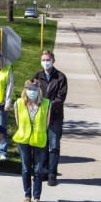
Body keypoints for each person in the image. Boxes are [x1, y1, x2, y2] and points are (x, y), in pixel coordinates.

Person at [13, 80, 51, 202]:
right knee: (25, 169)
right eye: (29, 89)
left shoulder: (46, 103)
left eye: (34, 90)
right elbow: (17, 121)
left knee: (38, 171)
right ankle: (27, 196)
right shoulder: (18, 103)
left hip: (39, 140)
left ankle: (37, 198)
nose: (32, 92)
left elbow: (47, 123)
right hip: (24, 140)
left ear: (39, 90)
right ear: (25, 90)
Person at [33, 50, 68, 186]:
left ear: (53, 60)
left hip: (55, 117)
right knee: (42, 145)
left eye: (48, 59)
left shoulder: (60, 77)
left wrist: (47, 106)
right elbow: (32, 92)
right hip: (40, 117)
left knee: (53, 146)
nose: (45, 62)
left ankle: (52, 174)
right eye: (43, 60)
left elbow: (61, 97)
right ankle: (44, 172)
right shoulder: (38, 76)